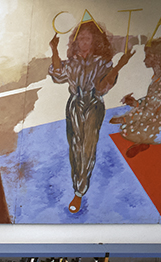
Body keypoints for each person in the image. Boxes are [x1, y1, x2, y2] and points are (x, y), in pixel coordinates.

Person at [49, 20, 134, 215]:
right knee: (75, 147)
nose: (83, 42)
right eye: (80, 39)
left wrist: (119, 66)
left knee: (88, 147)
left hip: (94, 104)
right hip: (74, 104)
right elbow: (58, 75)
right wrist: (54, 50)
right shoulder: (73, 62)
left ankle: (79, 191)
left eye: (87, 38)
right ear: (75, 41)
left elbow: (103, 87)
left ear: (94, 41)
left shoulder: (102, 63)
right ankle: (76, 183)